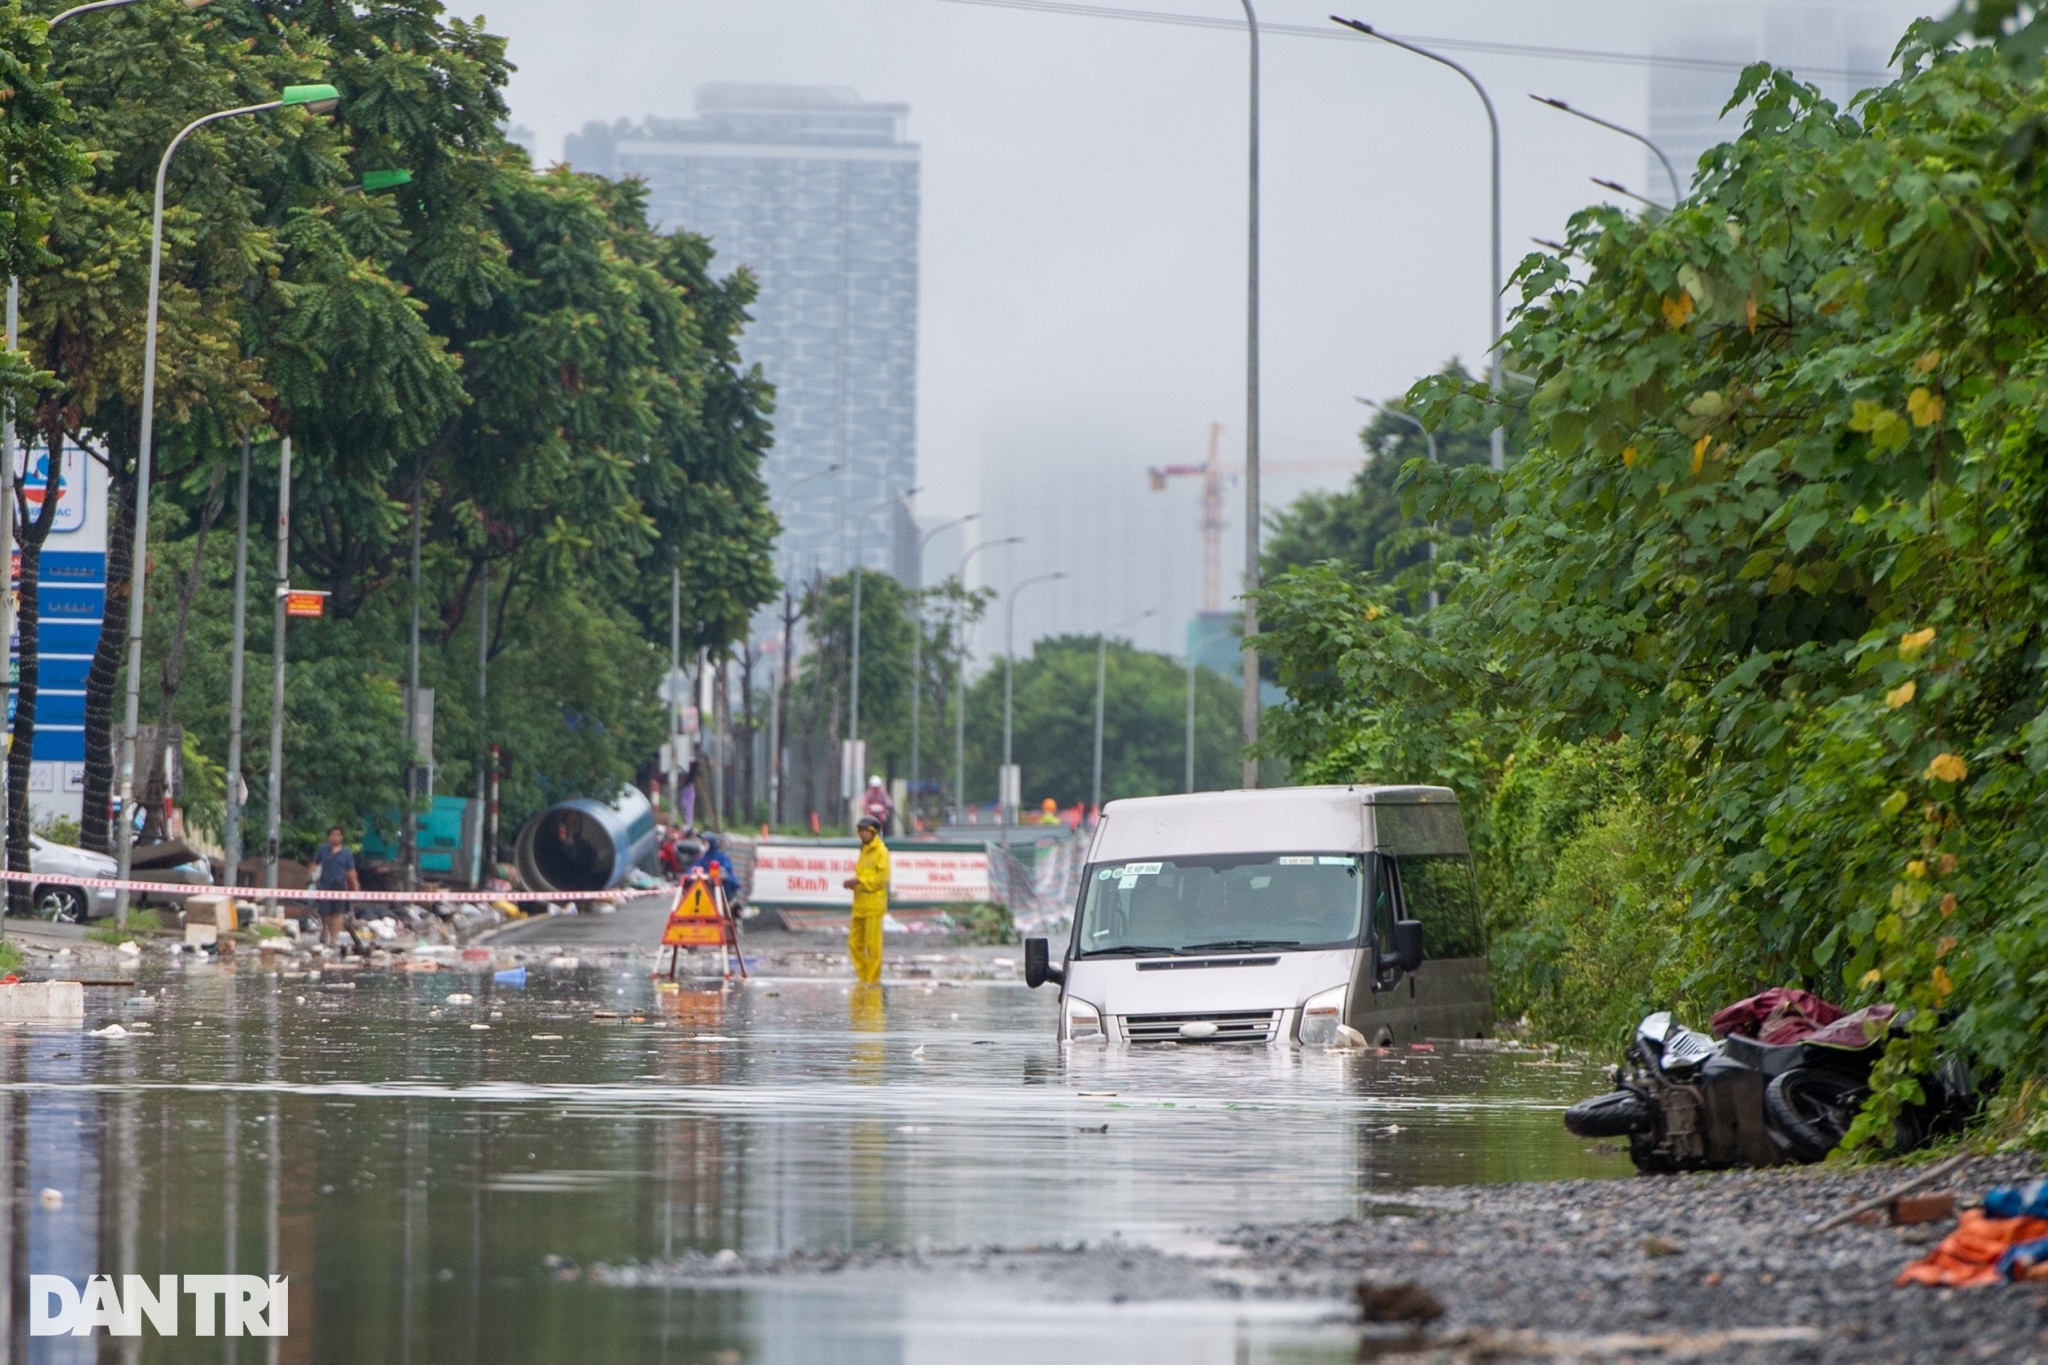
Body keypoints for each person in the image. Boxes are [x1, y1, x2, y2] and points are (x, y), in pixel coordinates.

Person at [842, 814, 890, 984]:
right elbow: (862, 875)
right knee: (854, 944)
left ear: (874, 832)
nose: (862, 834)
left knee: (873, 946)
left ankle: (872, 980)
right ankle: (864, 977)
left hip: (874, 906)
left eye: (865, 831)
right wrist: (853, 883)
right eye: (860, 831)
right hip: (860, 905)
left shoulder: (881, 852)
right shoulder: (863, 851)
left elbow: (882, 878)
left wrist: (860, 881)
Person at [310, 825, 361, 953]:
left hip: (340, 886)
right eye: (333, 834)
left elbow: (351, 871)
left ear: (341, 837)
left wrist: (355, 886)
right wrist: (313, 876)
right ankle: (325, 928)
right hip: (325, 885)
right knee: (325, 913)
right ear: (329, 836)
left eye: (338, 835)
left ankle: (333, 940)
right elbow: (314, 864)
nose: (335, 837)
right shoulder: (323, 850)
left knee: (338, 913)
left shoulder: (346, 853)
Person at [691, 832, 740, 903]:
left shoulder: (721, 856)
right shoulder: (702, 858)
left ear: (710, 843)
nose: (702, 845)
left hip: (723, 890)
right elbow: (693, 869)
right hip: (707, 888)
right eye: (702, 842)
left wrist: (720, 871)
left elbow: (727, 868)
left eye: (704, 842)